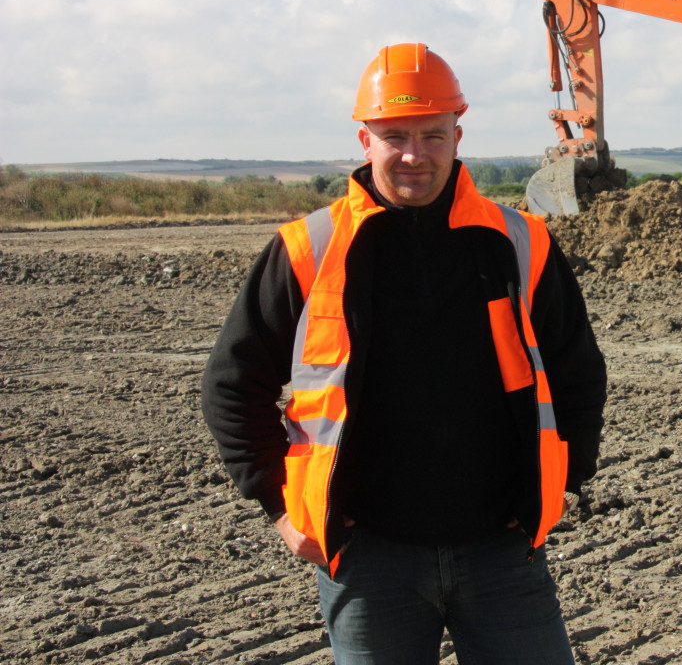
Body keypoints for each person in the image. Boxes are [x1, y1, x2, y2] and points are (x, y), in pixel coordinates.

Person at [201, 43, 607, 665]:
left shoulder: (521, 243)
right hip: (368, 561)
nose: (414, 155)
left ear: (457, 135)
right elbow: (233, 382)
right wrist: (280, 507)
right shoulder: (308, 248)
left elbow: (579, 372)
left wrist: (563, 485)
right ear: (365, 140)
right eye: (395, 137)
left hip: (504, 551)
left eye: (432, 135)